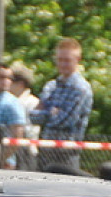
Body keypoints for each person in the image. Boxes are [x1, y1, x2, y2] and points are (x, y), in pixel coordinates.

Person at [31, 37, 94, 170]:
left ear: (78, 60)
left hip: (66, 153)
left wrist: (45, 113)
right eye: (59, 60)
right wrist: (51, 112)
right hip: (45, 149)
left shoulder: (81, 88)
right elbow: (32, 116)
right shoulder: (51, 86)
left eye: (67, 60)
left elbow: (64, 121)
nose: (62, 64)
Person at [9, 61, 40, 169]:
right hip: (10, 151)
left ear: (20, 83)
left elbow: (31, 129)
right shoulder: (10, 102)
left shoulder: (32, 102)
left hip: (26, 151)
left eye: (11, 81)